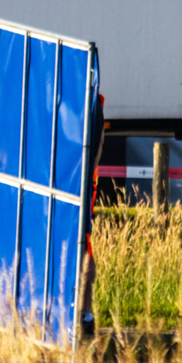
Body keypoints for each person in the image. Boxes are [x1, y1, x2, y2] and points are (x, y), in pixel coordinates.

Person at [79, 93, 105, 339]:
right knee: (84, 246)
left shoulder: (93, 101)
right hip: (83, 182)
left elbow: (96, 153)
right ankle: (84, 313)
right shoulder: (94, 101)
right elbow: (97, 153)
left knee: (84, 247)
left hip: (80, 183)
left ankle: (84, 313)